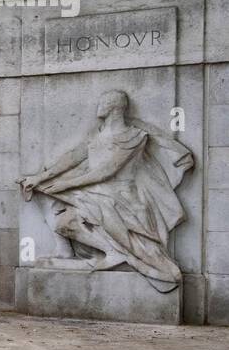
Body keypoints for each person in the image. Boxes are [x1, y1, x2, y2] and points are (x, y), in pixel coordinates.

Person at [18, 89, 193, 292]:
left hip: (121, 197)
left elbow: (108, 170)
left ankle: (114, 251)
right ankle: (66, 250)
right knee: (45, 194)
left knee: (65, 210)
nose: (98, 106)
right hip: (95, 192)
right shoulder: (98, 135)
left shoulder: (135, 137)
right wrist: (38, 178)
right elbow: (73, 157)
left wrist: (68, 184)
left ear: (113, 107)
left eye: (102, 102)